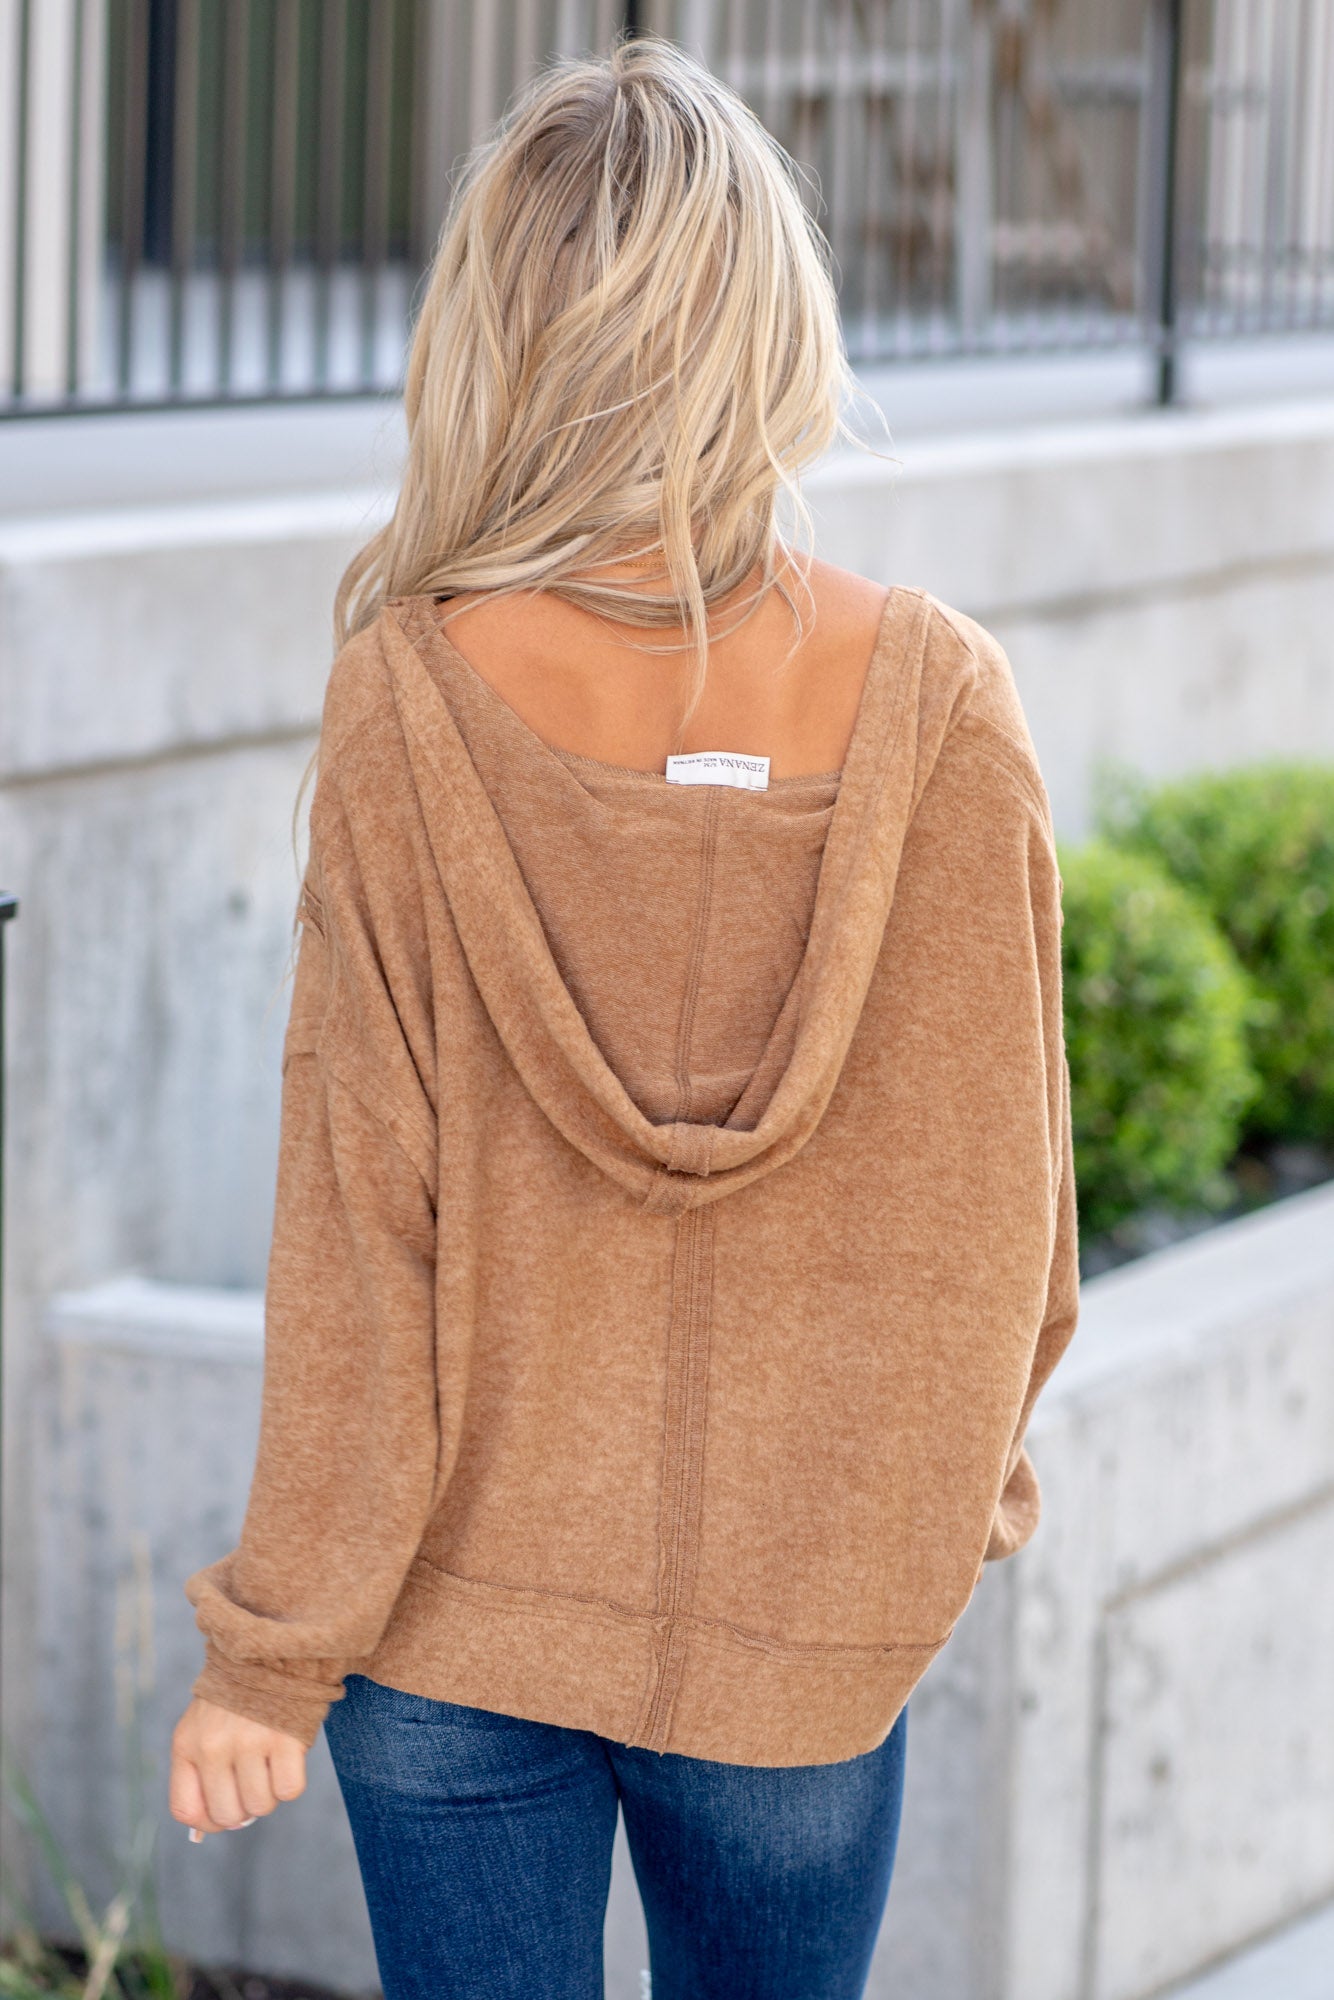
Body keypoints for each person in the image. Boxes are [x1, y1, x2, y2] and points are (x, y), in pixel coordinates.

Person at [169, 33, 1078, 2000]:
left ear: (494, 334)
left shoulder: (407, 693)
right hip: (805, 1636)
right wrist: (929, 1521)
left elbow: (358, 1221)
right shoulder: (940, 701)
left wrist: (274, 1645)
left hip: (447, 1623)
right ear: (773, 325)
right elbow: (1004, 1218)